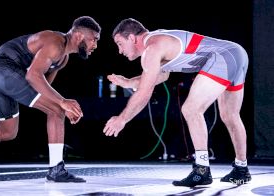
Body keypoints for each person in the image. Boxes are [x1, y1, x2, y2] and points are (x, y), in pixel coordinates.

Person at [0, 16, 101, 183]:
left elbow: (43, 86)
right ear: (79, 36)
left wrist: (60, 104)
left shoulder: (63, 59)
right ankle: (56, 170)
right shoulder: (55, 42)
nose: (95, 45)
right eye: (94, 39)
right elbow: (33, 76)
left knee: (8, 132)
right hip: (1, 70)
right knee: (56, 110)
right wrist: (61, 103)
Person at [103, 18, 251, 187]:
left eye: (120, 43)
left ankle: (202, 170)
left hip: (222, 57)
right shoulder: (158, 40)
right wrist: (129, 82)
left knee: (191, 109)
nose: (119, 50)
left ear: (131, 38)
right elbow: (161, 75)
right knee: (230, 116)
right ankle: (241, 169)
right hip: (237, 53)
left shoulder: (152, 49)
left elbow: (144, 92)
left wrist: (122, 119)